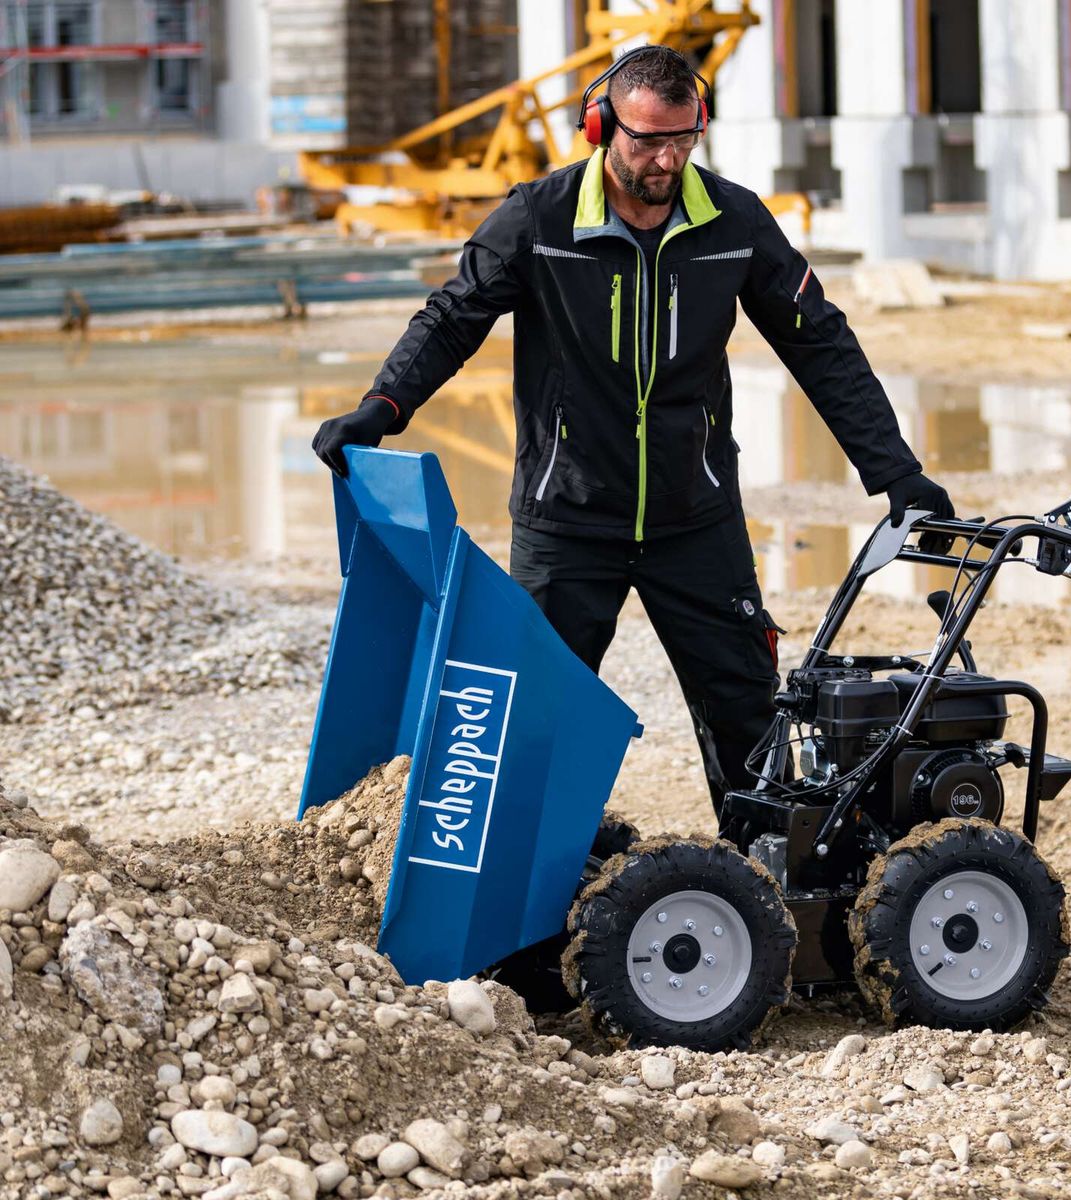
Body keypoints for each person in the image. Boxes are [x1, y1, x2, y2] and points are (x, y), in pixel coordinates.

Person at [313, 45, 953, 833]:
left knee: (748, 715)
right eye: (648, 141)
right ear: (600, 125)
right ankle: (525, 910)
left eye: (683, 139)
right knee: (533, 722)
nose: (667, 159)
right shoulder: (539, 219)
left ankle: (764, 891)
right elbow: (452, 318)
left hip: (697, 516)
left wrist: (894, 470)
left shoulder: (734, 222)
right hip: (567, 518)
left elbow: (818, 340)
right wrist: (383, 404)